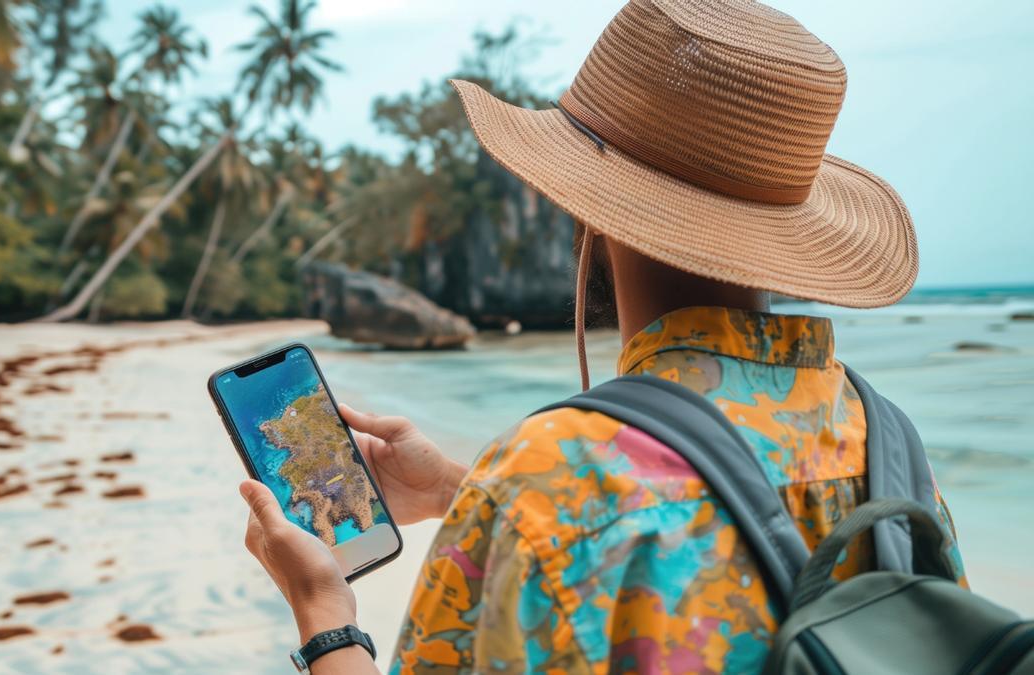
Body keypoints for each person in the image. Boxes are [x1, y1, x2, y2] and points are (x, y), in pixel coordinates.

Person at [239, 0, 967, 672]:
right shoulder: (891, 448)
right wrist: (464, 495)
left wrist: (322, 606)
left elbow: (604, 527)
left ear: (591, 215)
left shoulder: (541, 482)